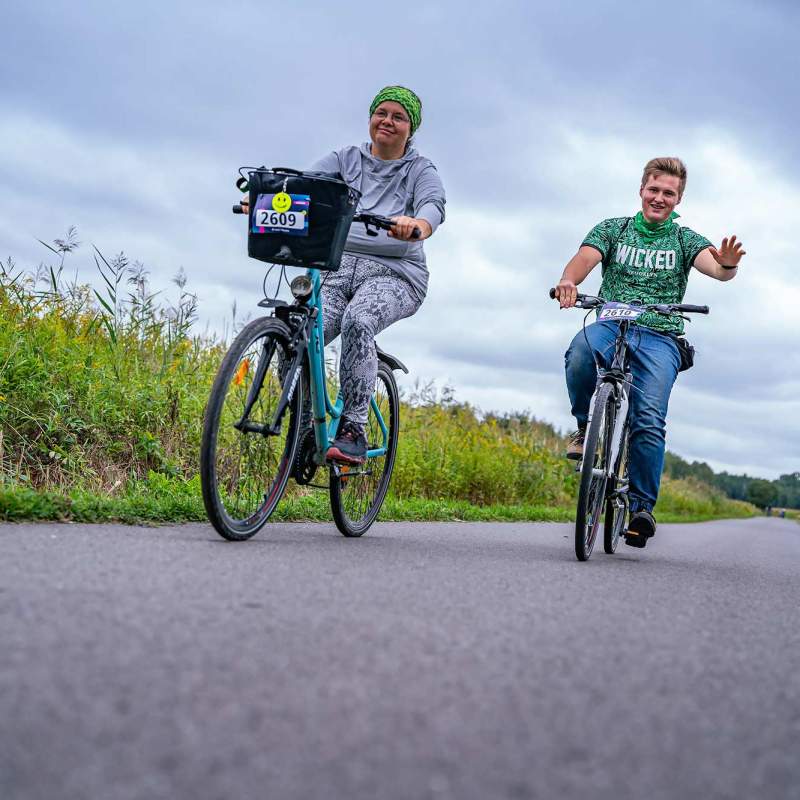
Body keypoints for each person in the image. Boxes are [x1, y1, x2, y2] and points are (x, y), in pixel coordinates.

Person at [243, 86, 445, 464]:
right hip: (336, 269)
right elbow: (302, 185)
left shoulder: (420, 170)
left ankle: (353, 427)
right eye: (381, 113)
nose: (387, 121)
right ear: (370, 118)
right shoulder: (346, 159)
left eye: (398, 117)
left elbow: (433, 205)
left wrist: (418, 224)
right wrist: (261, 201)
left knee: (359, 320)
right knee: (299, 331)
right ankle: (306, 422)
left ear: (410, 128)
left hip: (396, 275)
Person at [553, 157, 745, 548]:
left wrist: (727, 268)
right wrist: (568, 281)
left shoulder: (684, 240)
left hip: (661, 335)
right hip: (611, 323)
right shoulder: (613, 229)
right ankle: (586, 428)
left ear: (678, 199)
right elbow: (584, 259)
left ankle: (641, 509)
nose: (659, 198)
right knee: (580, 351)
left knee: (648, 418)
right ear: (642, 190)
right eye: (654, 189)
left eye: (668, 193)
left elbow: (715, 267)